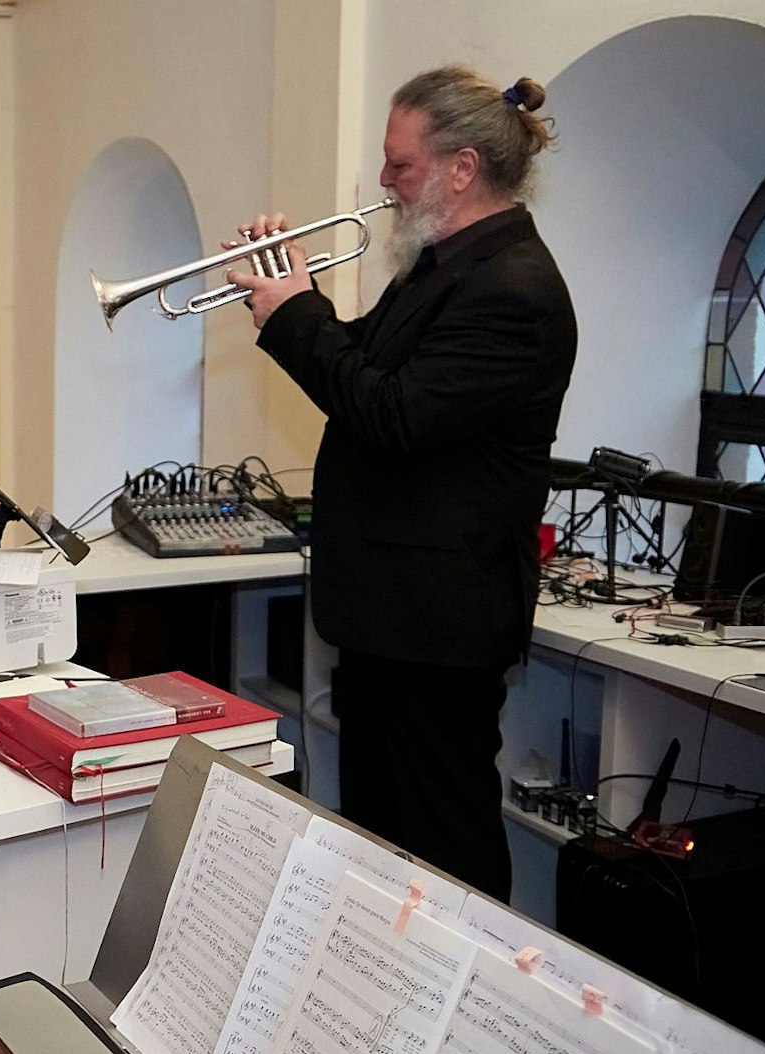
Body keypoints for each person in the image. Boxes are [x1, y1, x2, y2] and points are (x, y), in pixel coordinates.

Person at [225, 65, 576, 899]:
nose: (383, 182)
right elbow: (363, 371)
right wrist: (290, 289)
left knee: (442, 843)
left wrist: (294, 315)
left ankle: (456, 1008)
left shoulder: (514, 290)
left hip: (438, 624)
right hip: (392, 614)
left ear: (462, 168)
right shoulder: (442, 266)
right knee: (382, 833)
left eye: (400, 164)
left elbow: (394, 415)